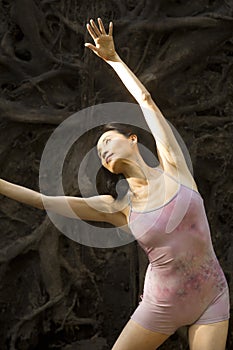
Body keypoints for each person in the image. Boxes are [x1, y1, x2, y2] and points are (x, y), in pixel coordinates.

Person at [0, 18, 230, 350]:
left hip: (212, 297)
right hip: (160, 307)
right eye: (98, 150)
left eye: (108, 140)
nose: (103, 149)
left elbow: (147, 101)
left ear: (133, 139)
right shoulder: (119, 207)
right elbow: (43, 200)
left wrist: (114, 60)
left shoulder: (174, 166)